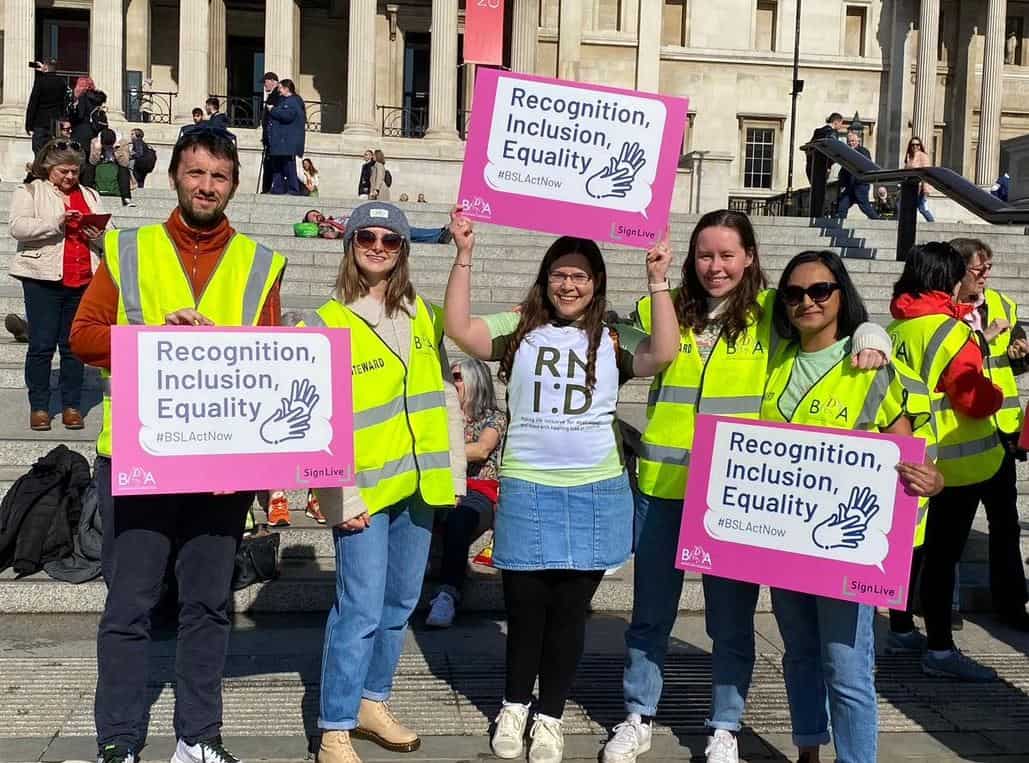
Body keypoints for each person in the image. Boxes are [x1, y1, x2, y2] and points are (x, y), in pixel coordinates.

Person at [602, 210, 892, 763]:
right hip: (663, 483)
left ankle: (725, 724)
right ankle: (638, 714)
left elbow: (829, 320)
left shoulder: (770, 314)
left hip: (734, 495)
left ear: (750, 258)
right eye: (705, 255)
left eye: (727, 255)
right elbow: (610, 329)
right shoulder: (664, 306)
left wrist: (873, 331)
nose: (716, 267)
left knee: (730, 620)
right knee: (651, 611)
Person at [69, 128, 287, 763]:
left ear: (234, 185)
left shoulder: (259, 262)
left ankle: (198, 738)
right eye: (195, 173)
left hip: (219, 467)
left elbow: (271, 364)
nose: (206, 187)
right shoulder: (129, 250)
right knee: (130, 607)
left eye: (218, 176)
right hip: (137, 459)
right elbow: (84, 336)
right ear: (174, 177)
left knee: (208, 608)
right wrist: (153, 337)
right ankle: (119, 741)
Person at [444, 209, 678, 763]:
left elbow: (662, 352)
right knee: (524, 610)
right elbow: (461, 329)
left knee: (570, 614)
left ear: (595, 282)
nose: (568, 284)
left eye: (580, 275)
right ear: (545, 279)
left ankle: (549, 715)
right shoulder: (519, 326)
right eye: (559, 274)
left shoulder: (615, 337)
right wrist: (464, 254)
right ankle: (514, 705)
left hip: (595, 491)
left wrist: (659, 279)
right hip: (527, 487)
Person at [303, 201, 466, 763]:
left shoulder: (421, 311)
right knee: (360, 607)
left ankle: (374, 700)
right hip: (364, 489)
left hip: (418, 482)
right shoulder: (324, 322)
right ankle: (335, 727)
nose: (377, 246)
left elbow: (441, 392)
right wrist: (337, 495)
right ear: (349, 243)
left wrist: (451, 474)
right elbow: (313, 422)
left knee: (399, 602)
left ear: (403, 249)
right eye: (366, 236)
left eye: (390, 239)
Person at [764, 250, 942, 763]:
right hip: (783, 541)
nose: (807, 302)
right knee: (799, 656)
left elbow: (912, 452)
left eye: (820, 291)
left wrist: (934, 478)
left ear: (842, 294)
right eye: (795, 294)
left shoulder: (873, 367)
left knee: (846, 668)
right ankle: (808, 753)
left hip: (847, 544)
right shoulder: (774, 363)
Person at [887, 242, 1008, 681]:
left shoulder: (896, 328)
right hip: (957, 464)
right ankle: (939, 649)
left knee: (912, 553)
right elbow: (973, 398)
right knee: (942, 558)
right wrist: (995, 395)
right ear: (950, 279)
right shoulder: (953, 331)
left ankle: (900, 628)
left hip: (911, 457)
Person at [948, 238, 1029, 631]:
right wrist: (987, 340)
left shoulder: (1003, 306)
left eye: (989, 269)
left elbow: (1015, 362)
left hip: (1000, 431)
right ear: (957, 269)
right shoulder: (942, 310)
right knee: (952, 528)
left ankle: (1012, 604)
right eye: (978, 269)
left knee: (1006, 523)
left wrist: (1021, 351)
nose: (985, 277)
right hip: (955, 434)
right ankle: (942, 604)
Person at [8, 139, 106, 431]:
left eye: (74, 171)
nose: (70, 177)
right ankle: (39, 406)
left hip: (82, 278)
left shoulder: (89, 194)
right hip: (42, 278)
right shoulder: (30, 191)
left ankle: (72, 405)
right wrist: (56, 221)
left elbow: (108, 236)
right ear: (49, 169)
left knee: (74, 346)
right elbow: (18, 227)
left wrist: (97, 234)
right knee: (41, 345)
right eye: (64, 171)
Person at [426, 358, 507, 629]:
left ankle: (447, 594)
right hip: (441, 484)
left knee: (460, 519)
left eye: (457, 377)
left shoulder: (493, 417)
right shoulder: (440, 415)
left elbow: (482, 450)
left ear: (475, 381)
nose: (451, 381)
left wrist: (437, 454)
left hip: (478, 489)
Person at [267, 79, 306, 195]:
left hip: (287, 141)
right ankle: (277, 188)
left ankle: (293, 189)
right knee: (277, 165)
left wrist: (272, 110)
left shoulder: (293, 101)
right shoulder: (286, 101)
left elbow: (287, 116)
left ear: (286, 88)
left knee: (288, 165)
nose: (278, 90)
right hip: (281, 141)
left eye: (280, 88)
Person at [81, 128, 134, 207]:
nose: (107, 147)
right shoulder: (95, 141)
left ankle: (126, 197)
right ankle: (87, 194)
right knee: (88, 168)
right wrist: (97, 150)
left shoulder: (123, 143)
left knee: (124, 170)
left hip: (116, 165)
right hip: (100, 165)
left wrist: (117, 150)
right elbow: (92, 161)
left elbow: (124, 163)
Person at [836, 132, 880, 221]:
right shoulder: (846, 152)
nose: (851, 143)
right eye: (849, 141)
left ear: (858, 141)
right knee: (842, 206)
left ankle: (879, 221)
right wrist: (842, 183)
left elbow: (866, 167)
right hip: (849, 186)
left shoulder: (863, 151)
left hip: (860, 185)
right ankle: (837, 227)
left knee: (865, 207)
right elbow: (843, 170)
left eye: (853, 141)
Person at [26, 59, 68, 153]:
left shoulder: (40, 81)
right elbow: (64, 102)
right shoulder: (62, 82)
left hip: (40, 122)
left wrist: (28, 124)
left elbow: (33, 103)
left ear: (45, 67)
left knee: (39, 151)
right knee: (53, 152)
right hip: (55, 122)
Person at [804, 112, 843, 183]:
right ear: (836, 122)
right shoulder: (833, 133)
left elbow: (809, 148)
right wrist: (828, 166)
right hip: (822, 167)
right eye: (841, 123)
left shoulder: (817, 131)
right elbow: (832, 151)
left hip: (811, 166)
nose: (841, 126)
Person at [903, 137, 935, 222]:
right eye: (913, 145)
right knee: (910, 207)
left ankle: (932, 223)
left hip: (920, 187)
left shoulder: (923, 156)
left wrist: (925, 188)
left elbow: (926, 173)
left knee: (922, 207)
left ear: (920, 146)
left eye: (917, 144)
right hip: (911, 187)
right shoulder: (909, 157)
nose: (915, 146)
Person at [261, 72, 283, 194]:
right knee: (269, 163)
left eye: (265, 82)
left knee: (272, 164)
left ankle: (269, 188)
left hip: (273, 137)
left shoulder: (276, 96)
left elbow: (273, 117)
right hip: (270, 136)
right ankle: (267, 188)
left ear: (272, 81)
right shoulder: (273, 95)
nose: (264, 86)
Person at [70, 78, 105, 148]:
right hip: (94, 130)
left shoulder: (83, 97)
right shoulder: (97, 99)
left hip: (81, 131)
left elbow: (80, 115)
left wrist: (72, 112)